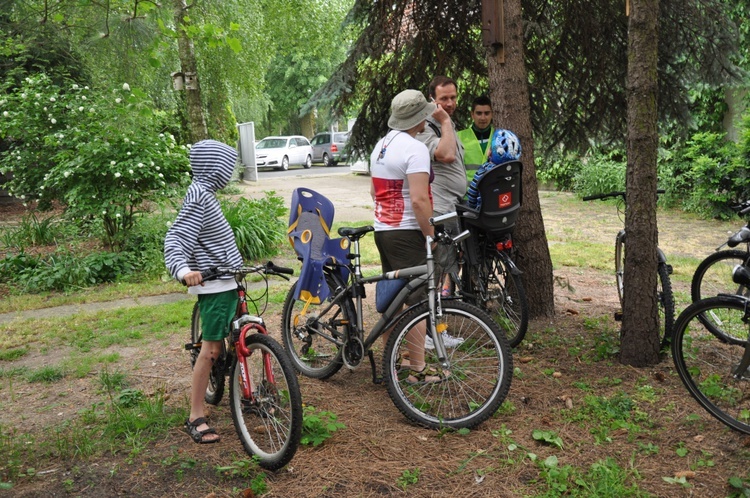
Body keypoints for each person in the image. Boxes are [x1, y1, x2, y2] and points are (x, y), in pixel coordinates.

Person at [164, 139, 243, 444]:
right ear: (216, 167)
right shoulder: (199, 196)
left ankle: (246, 389)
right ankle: (196, 415)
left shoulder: (206, 194)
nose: (230, 171)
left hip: (229, 281)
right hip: (214, 287)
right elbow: (176, 238)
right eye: (228, 165)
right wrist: (183, 271)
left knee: (241, 335)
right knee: (210, 351)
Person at [370, 89, 448, 384]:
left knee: (394, 299)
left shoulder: (381, 145)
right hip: (407, 231)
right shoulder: (414, 149)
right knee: (418, 301)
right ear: (420, 117)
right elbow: (418, 200)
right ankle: (417, 368)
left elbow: (373, 192)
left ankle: (397, 358)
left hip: (384, 230)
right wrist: (431, 234)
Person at [416, 76, 467, 314]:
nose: (449, 103)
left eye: (453, 97)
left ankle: (437, 325)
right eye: (443, 99)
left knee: (448, 266)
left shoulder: (447, 124)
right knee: (435, 272)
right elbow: (445, 155)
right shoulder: (426, 127)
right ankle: (429, 330)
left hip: (452, 206)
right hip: (438, 208)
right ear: (432, 101)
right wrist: (445, 120)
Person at [466, 129, 522, 210]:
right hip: (507, 214)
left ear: (490, 152)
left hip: (484, 218)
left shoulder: (483, 172)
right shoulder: (514, 172)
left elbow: (472, 197)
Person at [457, 95, 494, 170]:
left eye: (486, 113)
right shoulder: (459, 136)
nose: (483, 118)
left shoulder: (499, 137)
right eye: (479, 113)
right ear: (472, 114)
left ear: (492, 114)